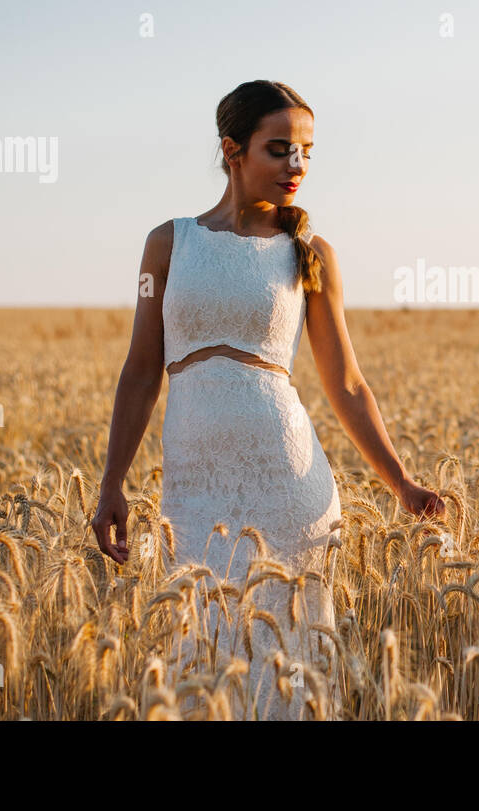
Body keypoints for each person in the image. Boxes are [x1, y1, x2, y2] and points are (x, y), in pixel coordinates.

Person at [90, 80, 445, 719]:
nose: (296, 166)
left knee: (290, 675)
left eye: (305, 152)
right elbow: (141, 370)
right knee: (198, 665)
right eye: (278, 149)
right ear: (232, 150)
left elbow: (346, 383)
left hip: (289, 488)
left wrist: (403, 484)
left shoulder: (310, 254)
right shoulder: (167, 244)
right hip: (193, 493)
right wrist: (111, 482)